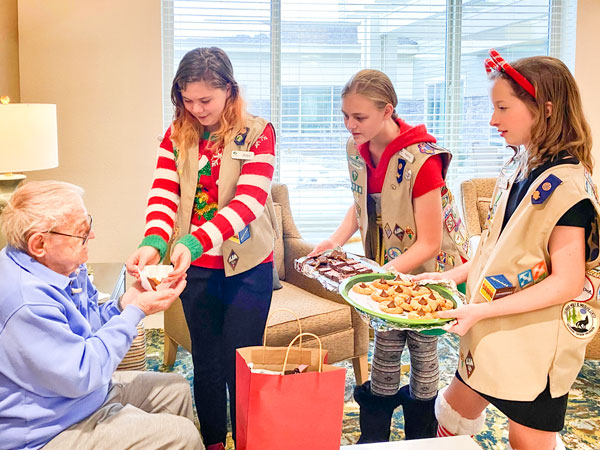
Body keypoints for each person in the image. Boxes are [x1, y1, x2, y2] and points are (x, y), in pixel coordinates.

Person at [415, 50, 600, 450]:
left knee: (528, 440)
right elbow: (500, 248)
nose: (492, 120)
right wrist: (450, 275)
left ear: (545, 109)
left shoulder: (567, 188)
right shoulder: (521, 167)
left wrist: (480, 310)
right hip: (493, 327)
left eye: (502, 107)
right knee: (453, 408)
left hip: (534, 341)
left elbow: (567, 282)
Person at [126, 47, 276, 450]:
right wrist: (154, 242)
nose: (196, 109)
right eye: (186, 100)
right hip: (194, 267)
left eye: (205, 100)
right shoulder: (177, 133)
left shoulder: (259, 132)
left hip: (247, 267)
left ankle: (247, 440)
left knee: (239, 366)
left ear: (229, 90)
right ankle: (212, 441)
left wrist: (191, 242)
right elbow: (163, 193)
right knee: (206, 363)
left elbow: (248, 203)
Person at [309, 69, 469, 443]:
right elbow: (362, 203)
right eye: (345, 116)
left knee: (422, 350)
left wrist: (377, 278)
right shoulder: (358, 148)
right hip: (388, 266)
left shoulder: (422, 160)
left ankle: (420, 436)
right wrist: (333, 242)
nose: (350, 125)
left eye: (359, 117)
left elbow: (430, 242)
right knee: (386, 342)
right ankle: (375, 435)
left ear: (388, 112)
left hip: (426, 273)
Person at [0, 180, 203, 450]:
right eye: (81, 232)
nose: (92, 236)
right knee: (183, 436)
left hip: (76, 399)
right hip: (48, 429)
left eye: (89, 224)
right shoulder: (26, 302)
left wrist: (124, 303)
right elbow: (84, 373)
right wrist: (136, 311)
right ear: (39, 243)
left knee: (175, 390)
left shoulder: (61, 266)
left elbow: (90, 329)